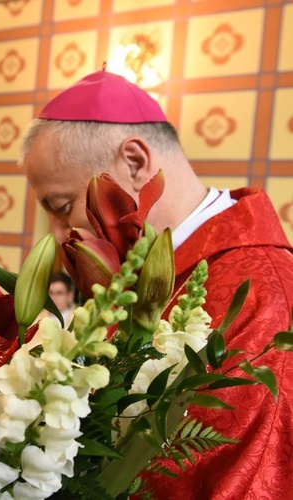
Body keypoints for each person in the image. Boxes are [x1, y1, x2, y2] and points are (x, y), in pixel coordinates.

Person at [19, 69, 293, 498]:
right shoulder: (138, 270)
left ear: (134, 162)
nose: (56, 235)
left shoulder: (261, 297)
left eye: (62, 205)